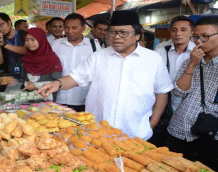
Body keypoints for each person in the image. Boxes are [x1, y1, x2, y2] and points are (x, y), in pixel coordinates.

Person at [37, 11, 173, 140]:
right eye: (112, 32)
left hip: (136, 134)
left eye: (123, 33)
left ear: (137, 35)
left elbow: (162, 92)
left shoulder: (153, 59)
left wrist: (153, 122)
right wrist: (57, 84)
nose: (117, 37)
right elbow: (76, 77)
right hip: (97, 134)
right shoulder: (98, 57)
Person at [167, 16, 218, 171]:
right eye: (196, 37)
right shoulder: (191, 60)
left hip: (209, 135)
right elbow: (178, 92)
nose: (199, 41)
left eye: (205, 36)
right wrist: (192, 64)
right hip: (178, 129)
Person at [150, 16, 195, 147]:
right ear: (170, 31)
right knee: (158, 143)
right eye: (174, 30)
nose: (178, 33)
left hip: (186, 107)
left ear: (192, 32)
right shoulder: (160, 50)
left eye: (183, 30)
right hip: (162, 104)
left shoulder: (198, 52)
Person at [51, 13, 101, 112]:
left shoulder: (94, 46)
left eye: (74, 28)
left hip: (83, 99)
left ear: (83, 28)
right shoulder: (55, 44)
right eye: (67, 27)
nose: (70, 31)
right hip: (58, 98)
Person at [22, 28, 62, 93]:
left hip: (47, 98)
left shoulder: (52, 59)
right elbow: (23, 78)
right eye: (26, 40)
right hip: (27, 98)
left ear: (41, 40)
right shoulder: (27, 58)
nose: (29, 43)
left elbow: (57, 82)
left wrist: (36, 86)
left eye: (32, 40)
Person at [0, 12, 27, 80]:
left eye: (1, 25)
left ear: (9, 22)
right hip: (9, 79)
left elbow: (26, 50)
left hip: (27, 76)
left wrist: (4, 44)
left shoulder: (23, 34)